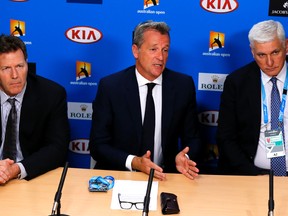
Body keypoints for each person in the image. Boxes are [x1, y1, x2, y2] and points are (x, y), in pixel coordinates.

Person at [89, 20, 202, 180]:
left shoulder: (183, 85)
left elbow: (193, 138)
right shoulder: (111, 87)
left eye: (165, 50)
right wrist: (134, 162)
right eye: (153, 49)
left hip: (165, 176)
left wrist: (185, 157)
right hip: (120, 174)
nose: (160, 57)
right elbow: (98, 145)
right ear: (136, 51)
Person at [217, 20, 288, 175]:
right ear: (252, 52)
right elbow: (226, 138)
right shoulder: (237, 82)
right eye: (261, 55)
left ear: (286, 46)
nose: (269, 62)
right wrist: (252, 175)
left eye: (275, 52)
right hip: (251, 174)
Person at [0, 34, 70, 184]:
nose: (15, 75)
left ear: (26, 64)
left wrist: (16, 169)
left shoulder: (51, 94)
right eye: (6, 68)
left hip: (31, 178)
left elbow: (57, 149)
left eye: (19, 66)